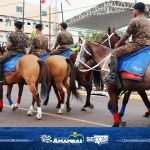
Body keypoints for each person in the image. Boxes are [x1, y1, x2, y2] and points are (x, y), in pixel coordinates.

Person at [105, 2, 150, 85]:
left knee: (114, 53)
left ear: (137, 10)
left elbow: (126, 35)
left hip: (137, 45)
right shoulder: (148, 21)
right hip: (148, 46)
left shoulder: (134, 20)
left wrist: (118, 44)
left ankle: (112, 77)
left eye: (133, 10)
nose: (133, 12)